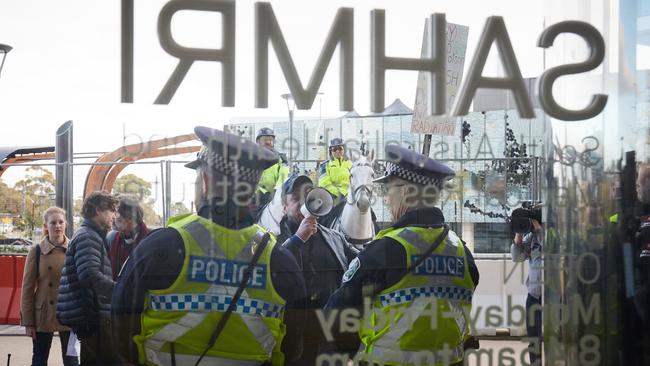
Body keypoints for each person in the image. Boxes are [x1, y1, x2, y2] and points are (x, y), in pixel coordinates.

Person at [112, 126, 307, 365]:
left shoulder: (158, 248)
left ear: (205, 180)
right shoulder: (281, 261)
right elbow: (293, 350)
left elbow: (121, 336)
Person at [326, 145, 479, 365]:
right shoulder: (462, 252)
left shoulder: (385, 250)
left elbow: (334, 316)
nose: (386, 199)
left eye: (388, 190)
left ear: (406, 192)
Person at [277, 173, 358, 365]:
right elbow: (274, 269)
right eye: (295, 199)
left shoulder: (336, 238)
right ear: (284, 206)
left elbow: (360, 261)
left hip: (329, 333)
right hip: (294, 335)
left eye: (306, 197)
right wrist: (297, 240)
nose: (301, 203)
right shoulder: (273, 239)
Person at [57, 191, 119, 365]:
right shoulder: (87, 236)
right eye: (111, 210)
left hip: (90, 313)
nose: (113, 215)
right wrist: (119, 290)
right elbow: (90, 276)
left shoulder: (90, 234)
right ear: (98, 210)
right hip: (92, 315)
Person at [21, 207, 79, 366]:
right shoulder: (37, 251)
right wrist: (28, 322)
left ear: (66, 223)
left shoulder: (74, 248)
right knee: (39, 359)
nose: (57, 226)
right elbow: (27, 288)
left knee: (72, 361)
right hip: (43, 313)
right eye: (53, 222)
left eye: (61, 222)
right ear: (46, 225)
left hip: (68, 311)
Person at [510, 203, 544, 365]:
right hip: (534, 294)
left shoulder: (549, 235)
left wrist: (540, 231)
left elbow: (553, 250)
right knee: (533, 337)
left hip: (551, 295)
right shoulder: (531, 239)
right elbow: (517, 257)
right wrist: (518, 236)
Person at [107, 195, 149, 279]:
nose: (113, 222)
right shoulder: (111, 238)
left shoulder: (150, 240)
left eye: (118, 219)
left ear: (130, 218)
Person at [256, 127, 289, 200]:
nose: (268, 142)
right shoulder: (252, 158)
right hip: (257, 196)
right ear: (258, 141)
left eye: (270, 140)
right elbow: (249, 179)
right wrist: (262, 192)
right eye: (265, 139)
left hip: (276, 195)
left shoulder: (281, 159)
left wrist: (276, 191)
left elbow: (283, 176)